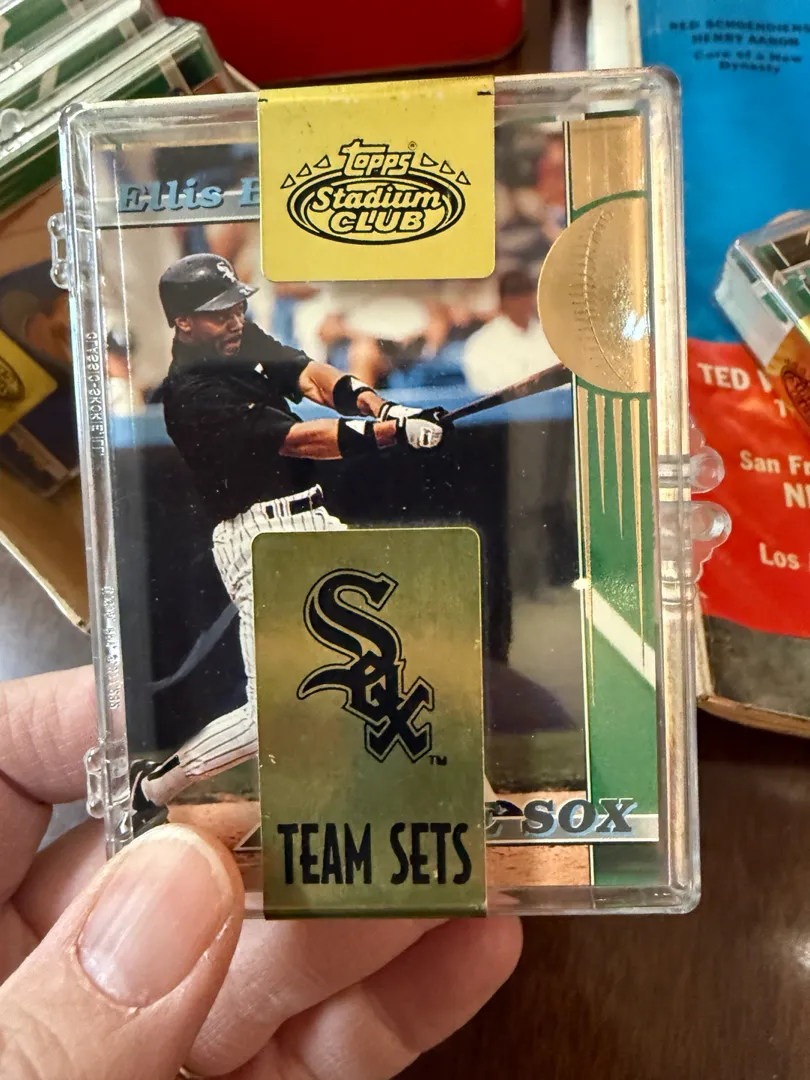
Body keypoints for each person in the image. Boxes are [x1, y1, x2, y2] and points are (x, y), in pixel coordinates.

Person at [0, 665, 523, 1078]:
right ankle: (158, 786)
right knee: (276, 715)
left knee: (399, 692)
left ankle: (467, 802)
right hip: (272, 586)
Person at [130, 253, 450, 831]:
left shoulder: (238, 340)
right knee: (275, 712)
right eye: (218, 312)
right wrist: (390, 433)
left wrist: (383, 405)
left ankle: (458, 794)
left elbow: (310, 377)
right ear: (183, 322)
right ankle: (152, 789)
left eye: (236, 305)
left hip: (312, 516)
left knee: (409, 640)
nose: (234, 318)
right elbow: (301, 440)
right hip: (260, 539)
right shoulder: (190, 393)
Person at [462, 269, 561, 394]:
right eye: (514, 295)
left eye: (526, 294)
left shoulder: (551, 336)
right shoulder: (480, 343)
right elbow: (482, 388)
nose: (521, 302)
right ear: (502, 300)